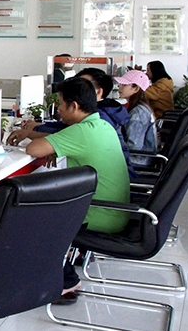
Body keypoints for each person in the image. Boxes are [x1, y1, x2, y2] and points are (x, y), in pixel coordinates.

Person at [12, 77, 130, 299]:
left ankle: (65, 280)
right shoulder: (101, 125)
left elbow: (33, 150)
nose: (58, 110)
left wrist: (45, 144)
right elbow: (59, 138)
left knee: (28, 215)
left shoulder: (81, 133)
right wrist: (33, 135)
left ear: (74, 106)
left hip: (99, 215)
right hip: (115, 210)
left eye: (61, 104)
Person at [115, 69, 157, 165]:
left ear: (136, 89)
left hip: (139, 159)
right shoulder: (140, 107)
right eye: (120, 84)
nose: (120, 87)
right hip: (141, 156)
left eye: (124, 85)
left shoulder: (138, 113)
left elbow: (134, 146)